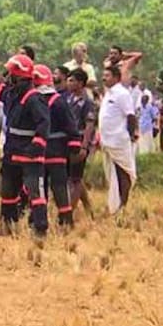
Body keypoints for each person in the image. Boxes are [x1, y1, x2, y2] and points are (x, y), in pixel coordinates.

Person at [0, 53, 51, 238]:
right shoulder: (13, 94)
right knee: (8, 192)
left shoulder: (34, 98)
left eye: (10, 74)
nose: (7, 78)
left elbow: (44, 124)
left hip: (30, 156)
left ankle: (40, 229)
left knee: (35, 193)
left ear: (18, 76)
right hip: (11, 153)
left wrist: (37, 145)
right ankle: (7, 227)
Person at [33, 64, 81, 229]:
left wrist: (74, 145)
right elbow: (71, 125)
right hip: (47, 150)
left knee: (56, 185)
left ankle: (63, 219)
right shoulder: (48, 100)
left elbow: (70, 125)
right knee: (47, 187)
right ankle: (48, 219)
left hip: (52, 151)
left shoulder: (55, 101)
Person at [98, 66, 138, 215]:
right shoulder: (108, 94)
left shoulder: (122, 93)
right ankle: (115, 205)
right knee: (112, 174)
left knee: (124, 172)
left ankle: (123, 205)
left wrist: (131, 135)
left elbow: (131, 116)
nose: (104, 78)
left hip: (119, 141)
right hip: (107, 142)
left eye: (107, 75)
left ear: (116, 77)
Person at [65, 69, 97, 219]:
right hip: (68, 141)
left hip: (79, 141)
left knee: (75, 179)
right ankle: (88, 208)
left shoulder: (88, 103)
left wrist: (84, 146)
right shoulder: (68, 99)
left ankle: (69, 212)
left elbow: (89, 125)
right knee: (74, 176)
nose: (69, 83)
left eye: (71, 80)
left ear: (80, 83)